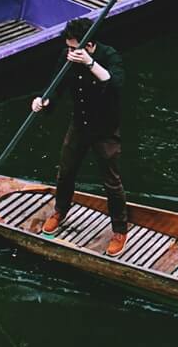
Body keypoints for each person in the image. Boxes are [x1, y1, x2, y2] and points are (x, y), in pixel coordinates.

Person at [30, 17, 130, 253]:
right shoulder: (67, 56)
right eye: (69, 47)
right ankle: (60, 211)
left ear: (90, 45)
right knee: (65, 170)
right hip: (79, 125)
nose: (71, 52)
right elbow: (55, 86)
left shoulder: (109, 55)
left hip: (105, 128)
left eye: (76, 48)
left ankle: (120, 230)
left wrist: (89, 63)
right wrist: (43, 101)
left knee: (111, 181)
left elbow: (116, 83)